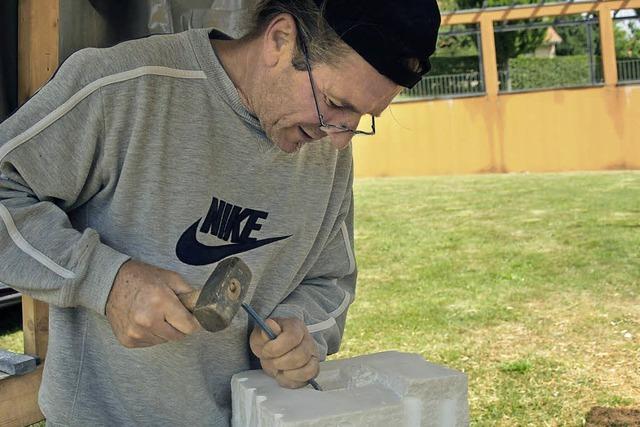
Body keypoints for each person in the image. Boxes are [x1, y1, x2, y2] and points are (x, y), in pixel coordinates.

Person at [0, 0, 440, 425]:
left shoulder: (326, 145)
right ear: (280, 40)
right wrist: (106, 280)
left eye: (363, 117)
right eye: (337, 102)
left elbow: (329, 280)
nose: (341, 138)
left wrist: (302, 330)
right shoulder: (122, 88)